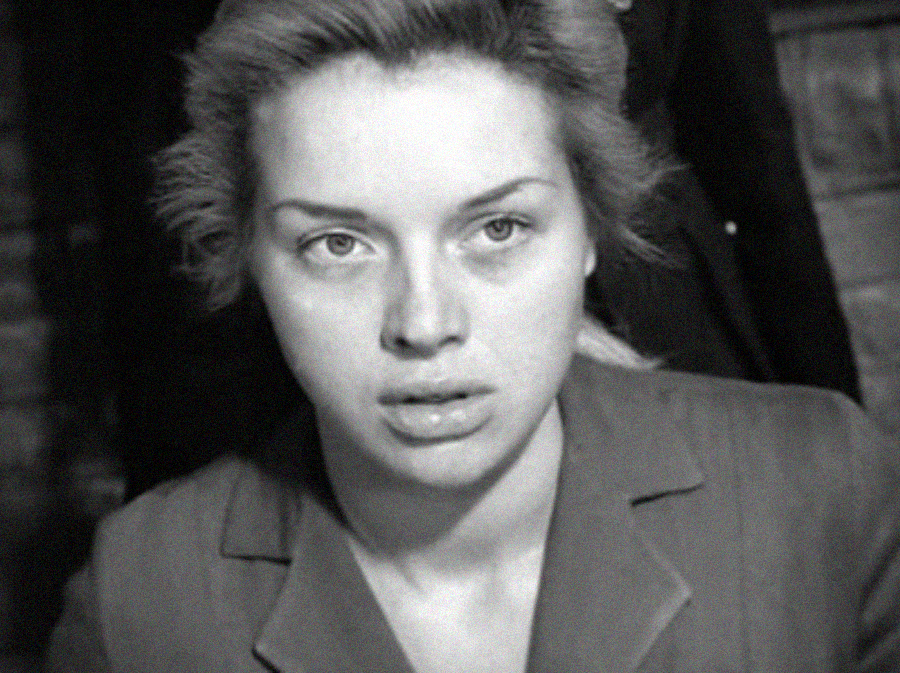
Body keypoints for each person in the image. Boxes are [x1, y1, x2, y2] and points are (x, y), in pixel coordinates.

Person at [44, 0, 898, 671]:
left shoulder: (824, 492)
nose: (424, 325)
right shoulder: (140, 599)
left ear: (593, 227)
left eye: (496, 229)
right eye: (337, 244)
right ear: (246, 261)